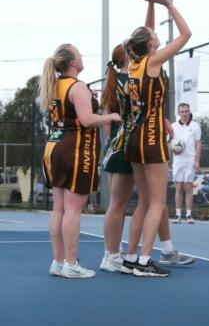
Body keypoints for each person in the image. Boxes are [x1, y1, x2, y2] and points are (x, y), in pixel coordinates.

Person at [100, 43, 195, 273]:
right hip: (129, 142)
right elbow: (117, 114)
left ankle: (162, 248)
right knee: (130, 202)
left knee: (151, 200)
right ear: (128, 57)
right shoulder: (130, 76)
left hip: (128, 140)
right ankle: (114, 254)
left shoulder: (126, 76)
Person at [122, 0, 191, 277]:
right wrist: (168, 5)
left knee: (144, 202)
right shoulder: (153, 61)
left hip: (133, 137)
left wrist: (149, 3)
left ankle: (129, 258)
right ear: (150, 43)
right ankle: (144, 261)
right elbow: (186, 34)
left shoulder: (134, 62)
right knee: (159, 203)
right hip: (151, 140)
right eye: (153, 36)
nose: (156, 36)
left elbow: (145, 30)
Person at [39, 43, 121, 278]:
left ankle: (58, 260)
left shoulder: (55, 85)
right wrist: (110, 116)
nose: (82, 56)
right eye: (79, 54)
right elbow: (86, 120)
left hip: (53, 146)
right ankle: (71, 263)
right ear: (73, 62)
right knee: (73, 209)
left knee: (59, 208)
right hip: (74, 148)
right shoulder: (78, 87)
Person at [171, 103, 202, 224]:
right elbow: (169, 143)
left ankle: (189, 215)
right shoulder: (173, 126)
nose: (184, 114)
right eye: (182, 112)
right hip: (178, 161)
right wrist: (173, 149)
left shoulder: (195, 126)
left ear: (189, 112)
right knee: (178, 188)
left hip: (190, 160)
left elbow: (198, 144)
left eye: (186, 111)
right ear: (178, 113)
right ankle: (178, 215)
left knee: (189, 188)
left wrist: (197, 160)